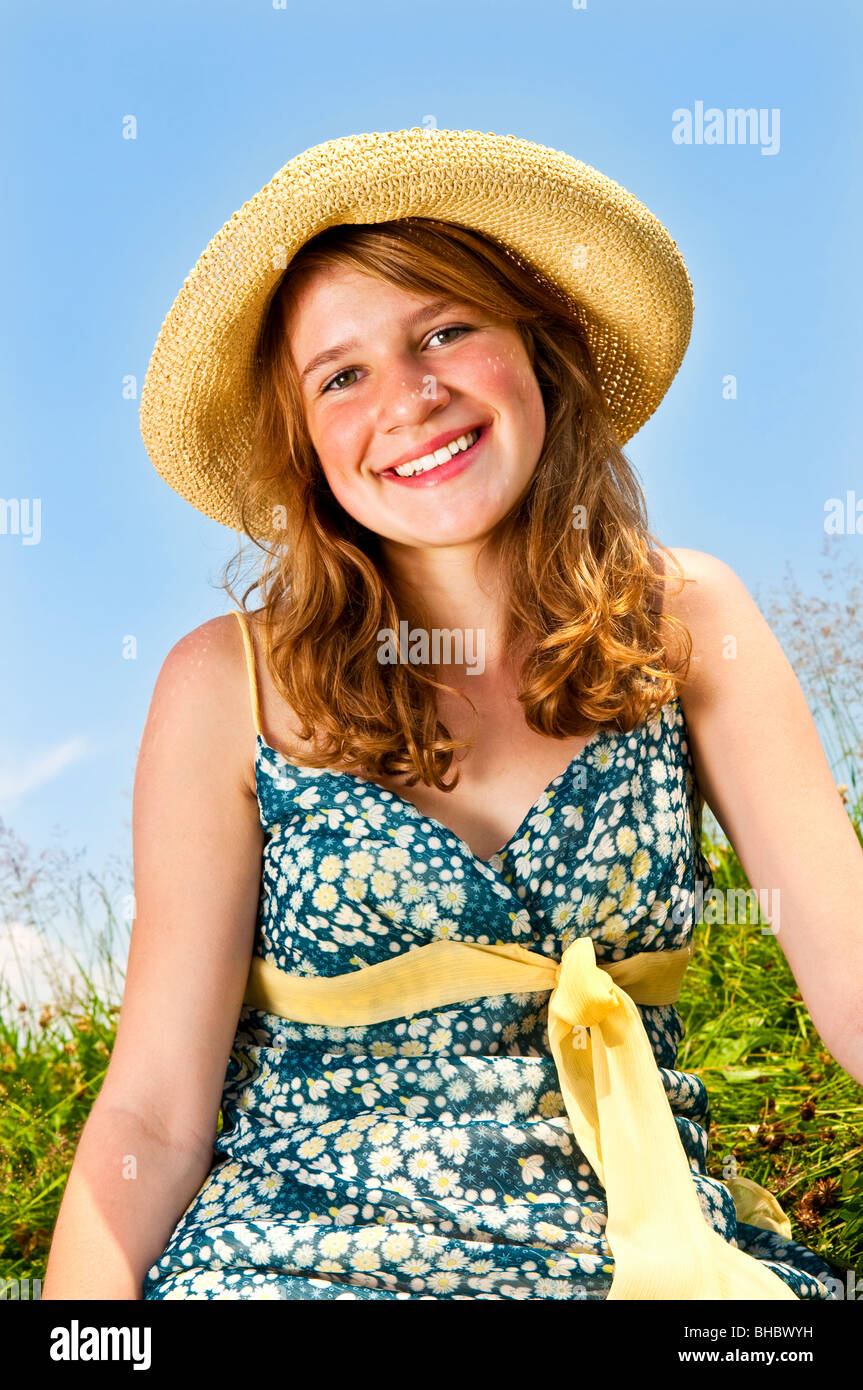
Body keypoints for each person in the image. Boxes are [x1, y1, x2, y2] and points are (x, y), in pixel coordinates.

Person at [43, 128, 861, 1301]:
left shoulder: (685, 621)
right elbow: (155, 1114)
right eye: (341, 375)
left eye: (443, 331)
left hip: (640, 1259)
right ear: (306, 446)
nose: (411, 398)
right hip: (297, 1267)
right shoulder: (227, 685)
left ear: (532, 343)